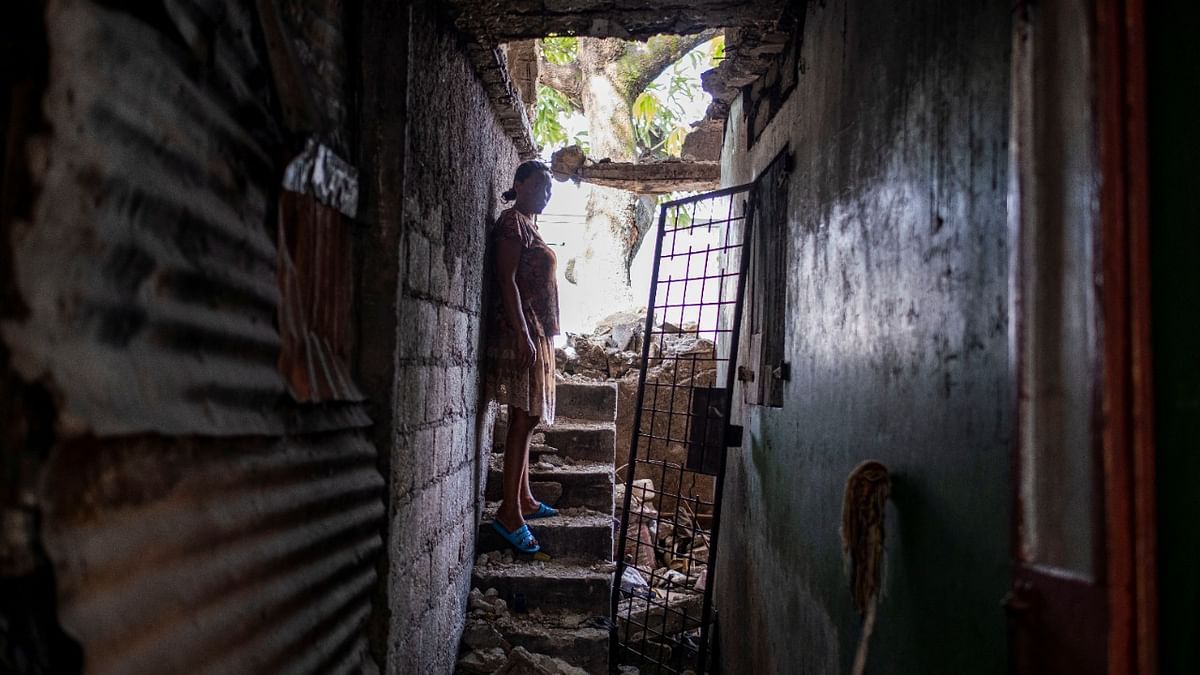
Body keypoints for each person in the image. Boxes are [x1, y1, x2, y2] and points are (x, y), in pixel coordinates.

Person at [486, 160, 559, 554]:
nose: (546, 194)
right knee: (524, 415)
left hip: (535, 329)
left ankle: (525, 499)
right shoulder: (511, 223)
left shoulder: (530, 225)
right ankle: (509, 513)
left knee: (526, 415)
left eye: (550, 189)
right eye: (539, 186)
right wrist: (522, 332)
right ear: (519, 184)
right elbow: (506, 279)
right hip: (522, 330)